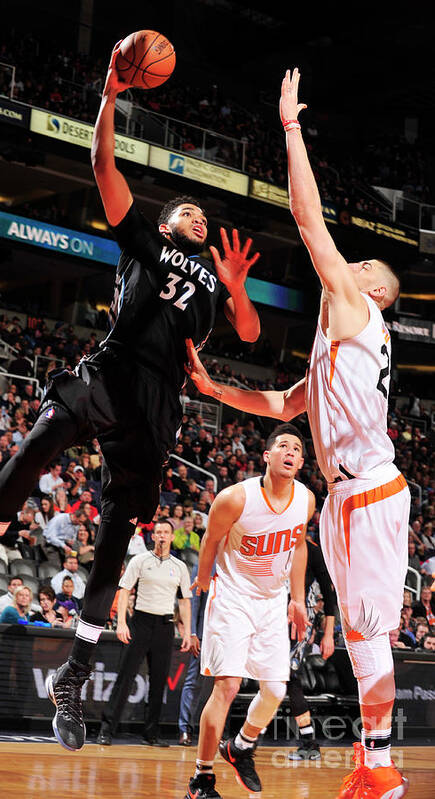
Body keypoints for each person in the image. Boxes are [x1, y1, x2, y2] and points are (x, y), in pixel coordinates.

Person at [0, 41, 259, 757]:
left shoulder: (209, 285)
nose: (198, 221)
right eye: (187, 214)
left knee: (114, 545)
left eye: (202, 220)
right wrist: (111, 97)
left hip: (156, 408)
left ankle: (74, 680)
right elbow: (103, 169)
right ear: (167, 222)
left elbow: (248, 330)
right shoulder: (144, 238)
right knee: (30, 449)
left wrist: (235, 287)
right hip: (109, 370)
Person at [185, 68, 409, 799]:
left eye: (359, 266)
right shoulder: (332, 345)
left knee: (369, 631)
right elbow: (283, 405)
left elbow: (309, 221)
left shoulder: (357, 309)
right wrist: (218, 390)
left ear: (372, 290)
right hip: (345, 495)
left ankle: (377, 765)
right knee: (355, 632)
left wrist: (288, 128)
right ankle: (372, 764)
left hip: (369, 490)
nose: (346, 267)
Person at [184, 424, 313, 799]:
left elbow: (300, 546)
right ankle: (201, 778)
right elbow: (210, 537)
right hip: (233, 595)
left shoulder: (305, 499)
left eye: (296, 448)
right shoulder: (235, 498)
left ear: (301, 462)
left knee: (275, 689)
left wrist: (297, 598)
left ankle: (240, 747)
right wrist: (204, 579)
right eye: (283, 446)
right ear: (267, 456)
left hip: (273, 600)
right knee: (228, 686)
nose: (290, 451)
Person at [97, 520, 192, 747]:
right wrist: (122, 622)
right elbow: (125, 589)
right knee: (125, 677)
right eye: (158, 532)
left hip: (166, 625)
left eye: (166, 532)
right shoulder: (140, 560)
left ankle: (151, 734)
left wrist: (187, 632)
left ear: (171, 537)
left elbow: (185, 601)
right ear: (153, 536)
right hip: (140, 622)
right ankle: (106, 730)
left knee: (159, 683)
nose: (161, 536)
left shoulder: (179, 566)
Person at [287, 530, 337, 761]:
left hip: (299, 622)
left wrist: (328, 635)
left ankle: (309, 741)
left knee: (286, 676)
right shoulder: (276, 544)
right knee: (281, 680)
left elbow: (329, 595)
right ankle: (309, 741)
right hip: (272, 619)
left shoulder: (312, 550)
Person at [178, 562, 215, 746]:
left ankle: (216, 731)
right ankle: (185, 728)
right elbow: (194, 601)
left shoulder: (237, 560)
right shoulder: (206, 561)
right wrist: (192, 632)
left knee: (222, 686)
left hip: (227, 635)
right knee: (193, 682)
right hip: (203, 633)